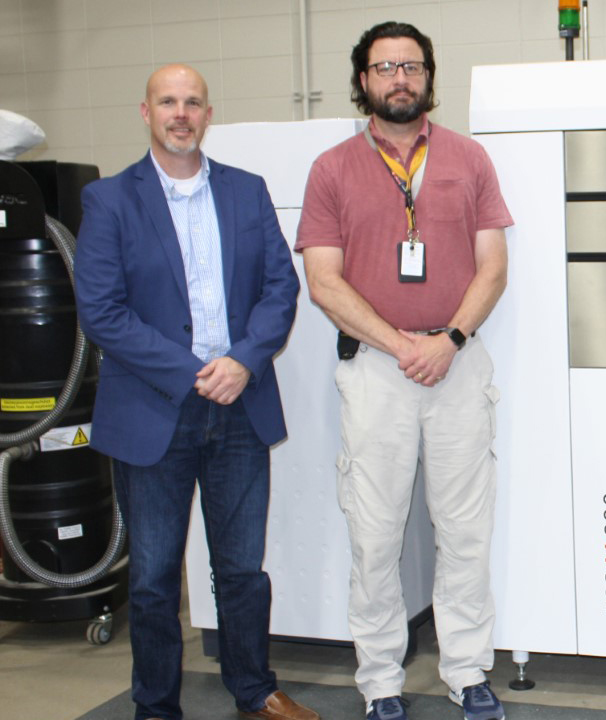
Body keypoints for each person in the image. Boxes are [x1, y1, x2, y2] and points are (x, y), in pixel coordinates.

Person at [73, 64, 311, 720]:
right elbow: (101, 310)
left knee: (241, 571)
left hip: (239, 409)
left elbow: (279, 289)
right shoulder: (111, 201)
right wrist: (189, 371)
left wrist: (242, 361)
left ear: (209, 114)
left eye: (193, 102)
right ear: (145, 112)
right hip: (156, 412)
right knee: (152, 581)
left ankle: (255, 691)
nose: (181, 113)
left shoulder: (246, 192)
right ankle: (156, 707)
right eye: (168, 102)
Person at [295, 21, 512, 720]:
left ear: (429, 77)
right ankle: (381, 681)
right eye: (385, 67)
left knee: (465, 532)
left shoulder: (468, 160)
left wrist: (447, 338)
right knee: (376, 532)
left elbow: (493, 267)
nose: (400, 79)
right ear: (363, 80)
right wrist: (400, 344)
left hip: (455, 362)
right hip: (378, 374)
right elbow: (323, 282)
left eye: (412, 67)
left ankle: (468, 669)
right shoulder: (332, 168)